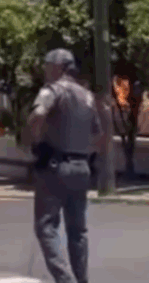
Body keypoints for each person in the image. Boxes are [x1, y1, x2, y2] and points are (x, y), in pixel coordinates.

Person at [26, 49, 105, 283]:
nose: (45, 69)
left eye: (47, 65)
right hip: (82, 168)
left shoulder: (52, 90)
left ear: (58, 67)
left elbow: (38, 114)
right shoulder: (88, 96)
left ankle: (65, 279)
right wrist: (89, 157)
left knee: (46, 227)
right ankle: (82, 280)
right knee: (78, 230)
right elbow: (98, 133)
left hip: (55, 166)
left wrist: (33, 141)